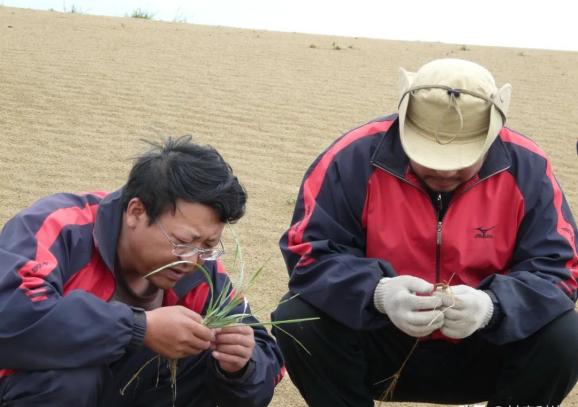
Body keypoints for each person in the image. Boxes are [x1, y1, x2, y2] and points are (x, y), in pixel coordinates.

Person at [272, 58, 578, 406]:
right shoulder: (352, 158)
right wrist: (378, 293)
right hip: (379, 340)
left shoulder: (528, 167)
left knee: (565, 335)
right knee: (297, 318)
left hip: (485, 347)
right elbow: (307, 253)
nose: (443, 171)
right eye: (428, 156)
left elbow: (560, 269)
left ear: (491, 136)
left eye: (461, 159)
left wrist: (492, 307)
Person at [0, 136, 284, 406]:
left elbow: (267, 357)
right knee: (72, 376)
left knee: (204, 355)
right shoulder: (61, 229)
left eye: (208, 244)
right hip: (30, 390)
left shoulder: (199, 271)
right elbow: (10, 314)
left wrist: (242, 365)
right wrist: (139, 328)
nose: (193, 259)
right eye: (183, 242)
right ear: (136, 211)